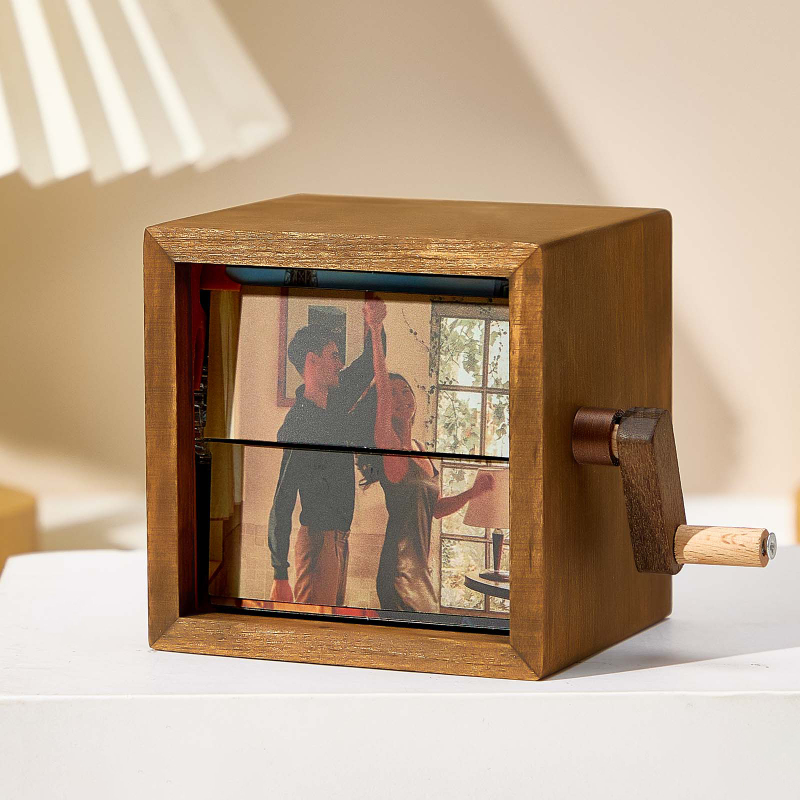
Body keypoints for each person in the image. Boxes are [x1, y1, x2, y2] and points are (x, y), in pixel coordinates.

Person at [360, 308, 494, 613]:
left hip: (422, 571)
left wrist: (473, 492)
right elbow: (382, 396)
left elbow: (435, 510)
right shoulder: (389, 446)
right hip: (399, 571)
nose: (401, 397)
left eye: (405, 391)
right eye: (392, 393)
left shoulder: (424, 451)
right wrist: (375, 331)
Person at [267, 297, 387, 606]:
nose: (340, 363)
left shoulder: (336, 399)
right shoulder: (297, 424)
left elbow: (369, 364)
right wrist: (280, 574)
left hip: (339, 540)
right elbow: (282, 500)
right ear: (312, 361)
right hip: (318, 542)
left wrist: (375, 325)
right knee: (313, 629)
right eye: (333, 355)